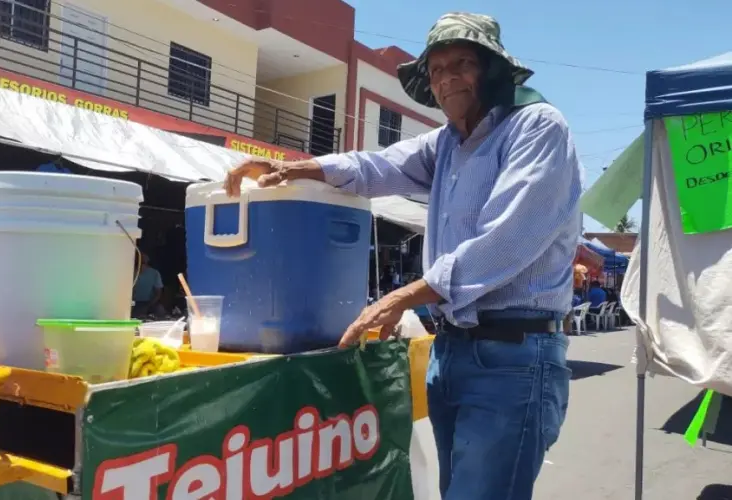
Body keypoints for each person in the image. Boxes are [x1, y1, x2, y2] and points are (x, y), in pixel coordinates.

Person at [224, 12, 580, 499]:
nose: (446, 77)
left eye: (462, 63)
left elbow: (507, 241)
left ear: (492, 69)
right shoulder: (446, 143)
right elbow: (377, 165)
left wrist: (400, 298)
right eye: (435, 69)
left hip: (513, 358)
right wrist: (293, 169)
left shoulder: (536, 127)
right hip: (451, 351)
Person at [132, 253, 164, 317]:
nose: (141, 265)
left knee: (160, 310)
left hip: (149, 303)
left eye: (143, 262)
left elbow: (158, 293)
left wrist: (148, 306)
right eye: (138, 262)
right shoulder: (129, 271)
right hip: (132, 303)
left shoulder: (154, 273)